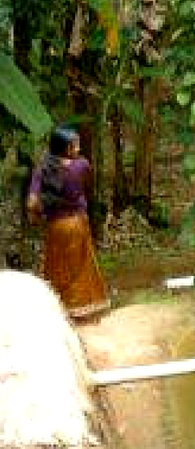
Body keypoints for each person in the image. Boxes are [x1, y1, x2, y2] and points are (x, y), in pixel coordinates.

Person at [25, 125, 111, 321]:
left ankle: (59, 310)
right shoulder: (81, 165)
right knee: (82, 268)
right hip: (77, 222)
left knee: (56, 267)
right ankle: (84, 312)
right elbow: (89, 187)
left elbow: (32, 203)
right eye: (75, 146)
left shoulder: (42, 168)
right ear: (64, 148)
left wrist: (39, 214)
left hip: (56, 226)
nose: (78, 149)